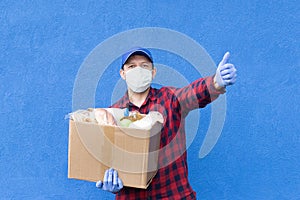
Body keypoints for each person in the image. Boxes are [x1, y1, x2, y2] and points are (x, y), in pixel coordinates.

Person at [95, 47, 237, 199]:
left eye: (144, 66)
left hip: (174, 194)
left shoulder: (170, 99)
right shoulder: (112, 113)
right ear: (123, 74)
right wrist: (110, 182)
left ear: (153, 72)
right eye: (131, 66)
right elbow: (108, 159)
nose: (138, 70)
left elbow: (192, 94)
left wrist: (216, 83)